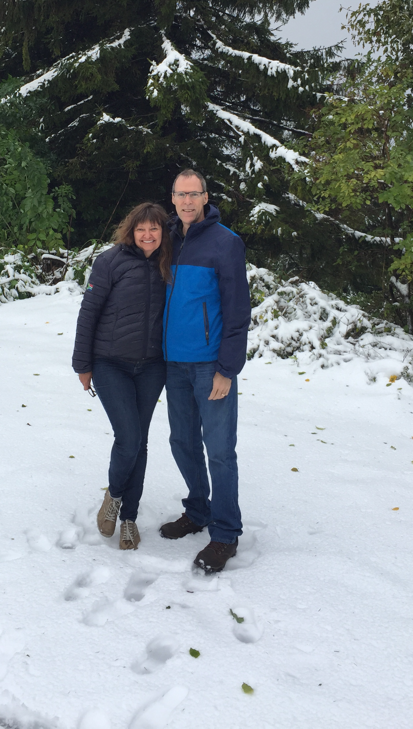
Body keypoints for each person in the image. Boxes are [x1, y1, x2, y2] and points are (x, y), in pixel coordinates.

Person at [159, 169, 251, 573]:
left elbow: (237, 310)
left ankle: (226, 533)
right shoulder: (166, 239)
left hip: (209, 365)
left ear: (206, 197)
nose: (187, 201)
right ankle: (197, 510)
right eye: (181, 194)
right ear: (173, 198)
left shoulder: (225, 242)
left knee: (219, 450)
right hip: (172, 364)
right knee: (182, 441)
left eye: (194, 194)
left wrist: (227, 369)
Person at [72, 203, 171, 550]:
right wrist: (82, 365)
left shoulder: (169, 263)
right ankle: (113, 496)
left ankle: (129, 517)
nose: (148, 235)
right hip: (110, 363)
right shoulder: (110, 262)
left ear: (163, 232)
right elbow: (89, 312)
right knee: (128, 437)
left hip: (153, 366)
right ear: (131, 231)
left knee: (140, 442)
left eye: (154, 229)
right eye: (141, 229)